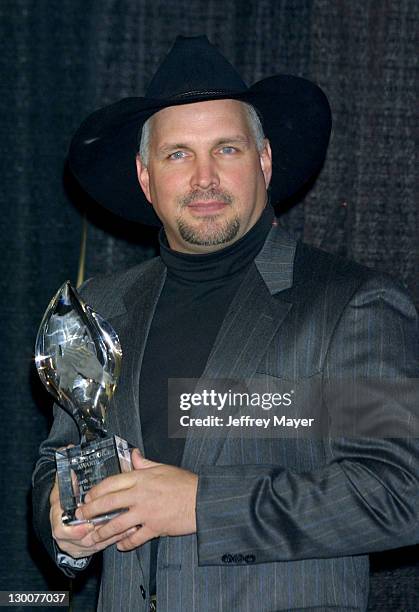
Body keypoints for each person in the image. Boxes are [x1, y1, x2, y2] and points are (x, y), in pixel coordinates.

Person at [32, 36, 419, 612]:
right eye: (178, 154)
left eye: (228, 150)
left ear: (264, 161)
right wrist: (59, 520)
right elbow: (55, 459)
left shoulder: (349, 306)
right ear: (146, 176)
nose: (204, 178)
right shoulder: (98, 308)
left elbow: (400, 492)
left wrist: (200, 506)